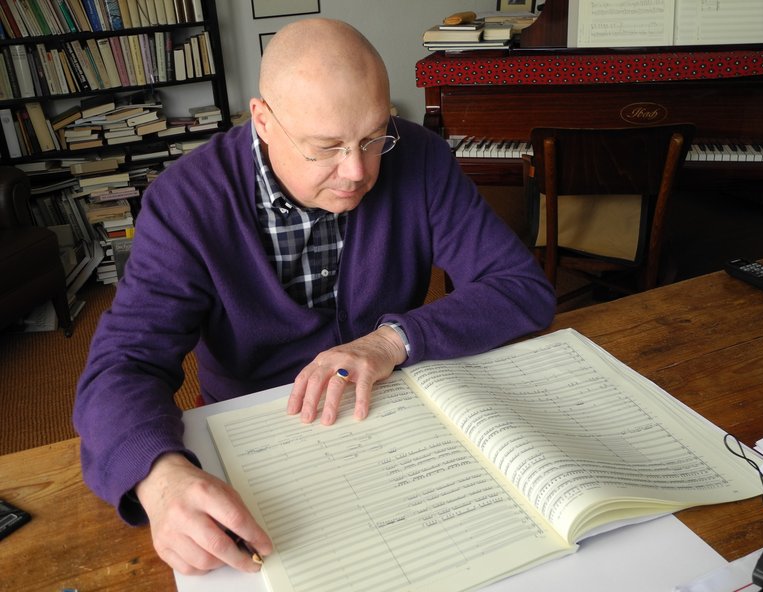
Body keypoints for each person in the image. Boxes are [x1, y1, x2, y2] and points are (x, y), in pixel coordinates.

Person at [73, 18, 555, 576]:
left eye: (374, 137)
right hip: (259, 434)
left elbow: (520, 286)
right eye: (326, 148)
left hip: (394, 412)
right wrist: (159, 478)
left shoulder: (419, 156)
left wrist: (390, 341)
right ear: (263, 121)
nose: (357, 171)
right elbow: (123, 364)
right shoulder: (185, 203)